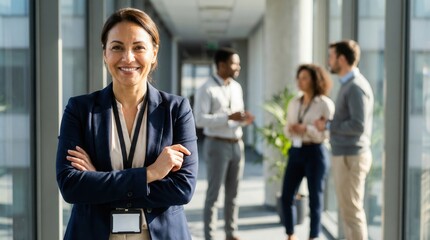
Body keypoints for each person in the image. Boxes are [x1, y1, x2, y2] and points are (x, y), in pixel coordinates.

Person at [56, 8, 198, 240]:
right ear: (104, 53)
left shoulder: (177, 110)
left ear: (154, 52)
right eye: (117, 47)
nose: (128, 57)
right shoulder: (80, 110)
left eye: (139, 47)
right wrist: (150, 173)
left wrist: (99, 179)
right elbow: (71, 186)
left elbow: (182, 189)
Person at [315, 40, 374, 240]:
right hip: (346, 155)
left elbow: (358, 126)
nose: (328, 61)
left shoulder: (356, 87)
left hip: (351, 156)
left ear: (341, 59)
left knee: (353, 213)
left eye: (331, 56)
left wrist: (330, 126)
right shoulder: (348, 84)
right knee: (349, 212)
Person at [194, 47, 254, 240]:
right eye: (234, 63)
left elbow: (238, 114)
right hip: (216, 145)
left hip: (237, 143)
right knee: (213, 195)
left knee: (233, 193)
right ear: (221, 65)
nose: (238, 66)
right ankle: (210, 236)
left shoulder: (236, 87)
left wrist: (243, 119)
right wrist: (228, 116)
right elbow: (199, 120)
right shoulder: (206, 88)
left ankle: (231, 232)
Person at [282, 64, 334, 240]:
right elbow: (287, 129)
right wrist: (292, 129)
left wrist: (306, 129)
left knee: (315, 198)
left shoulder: (325, 104)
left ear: (315, 80)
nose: (300, 81)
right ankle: (290, 234)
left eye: (305, 77)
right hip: (296, 151)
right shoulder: (294, 103)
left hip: (316, 153)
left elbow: (327, 133)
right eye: (299, 77)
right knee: (287, 195)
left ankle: (313, 236)